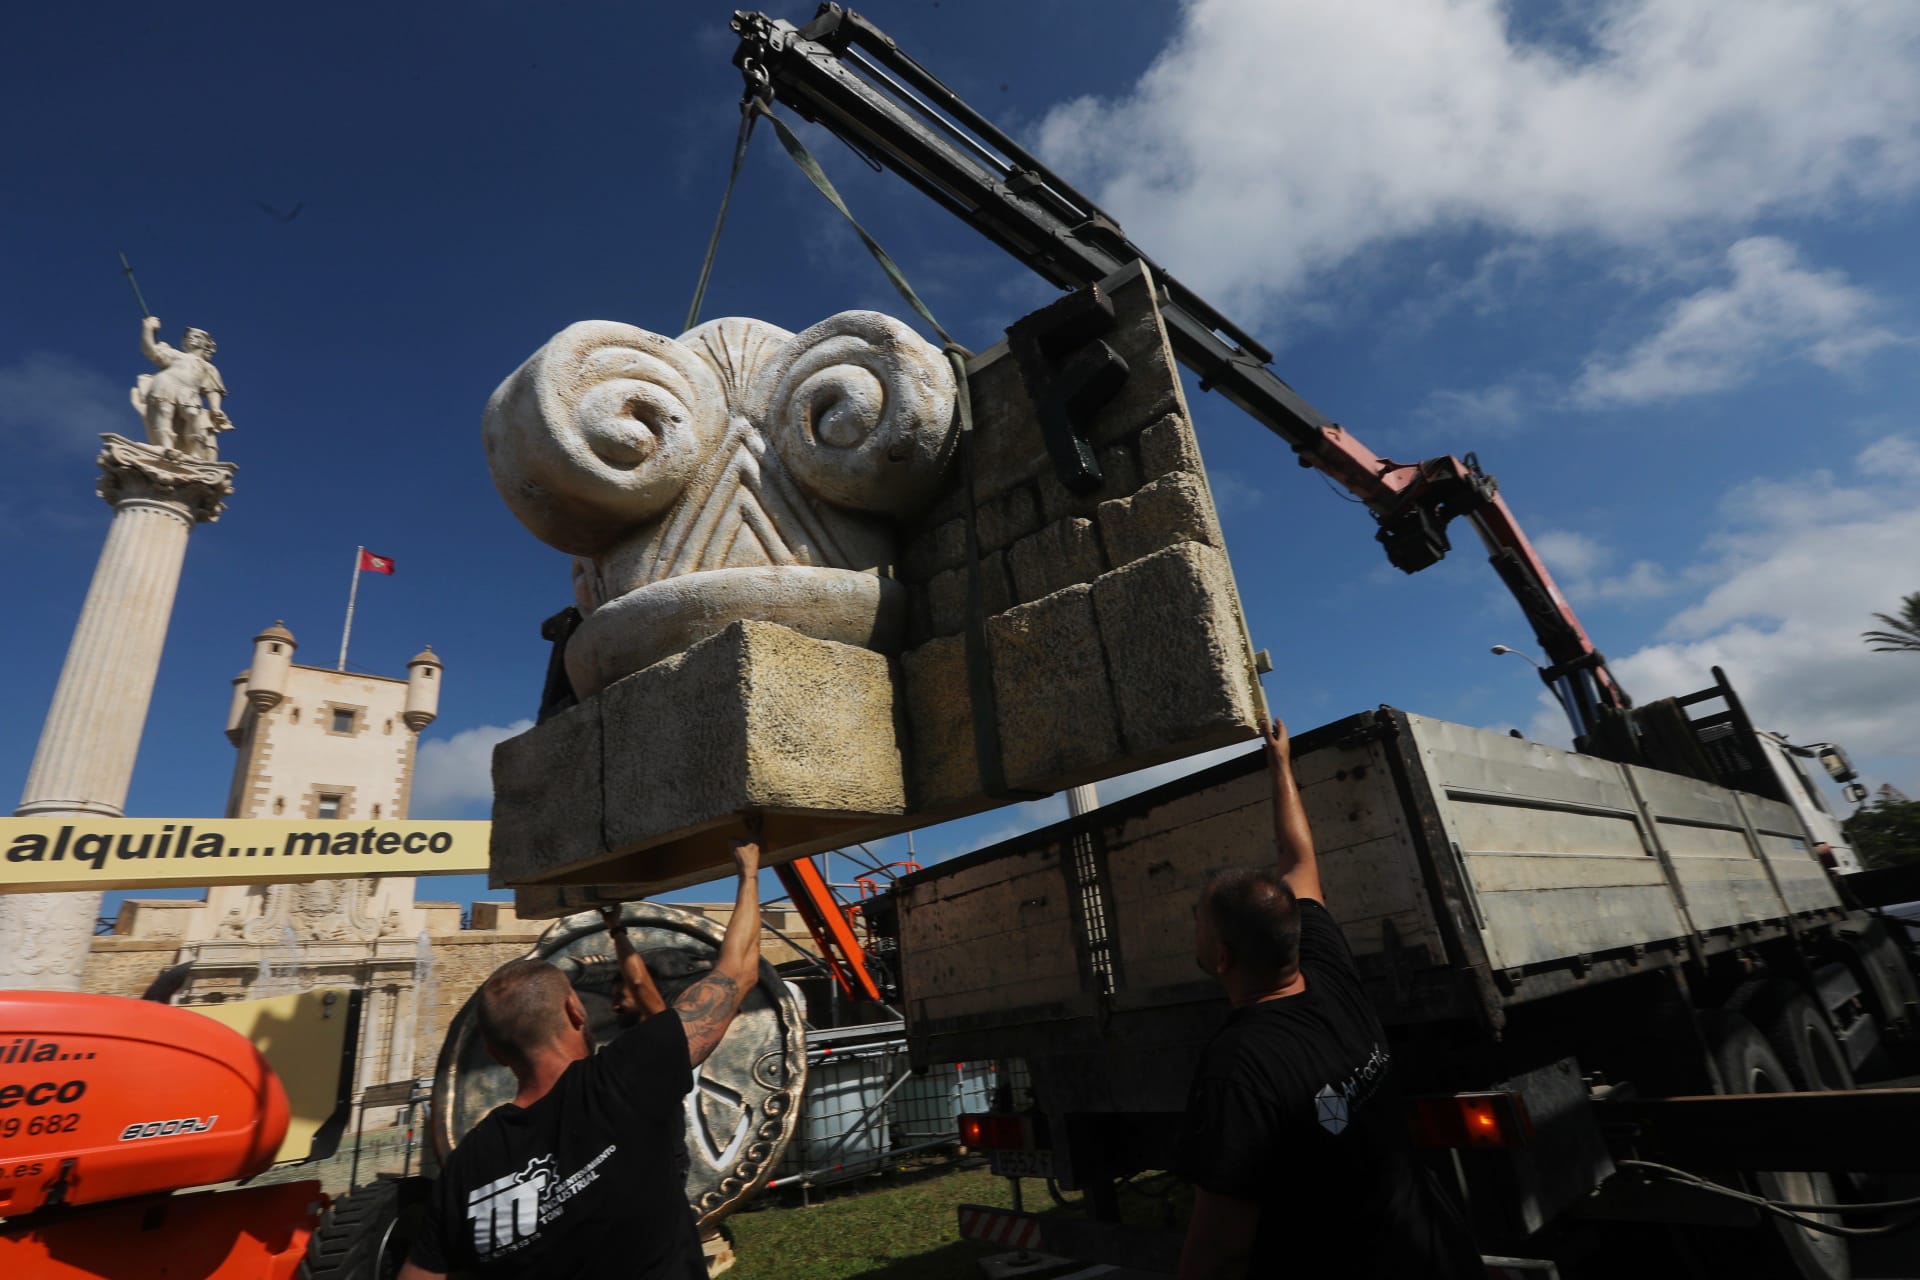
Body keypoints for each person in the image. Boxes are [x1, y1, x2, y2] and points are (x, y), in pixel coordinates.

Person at [1177, 719, 1479, 1280]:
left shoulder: (1239, 1069)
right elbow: (1300, 861)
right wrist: (1280, 765)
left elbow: (1220, 1250)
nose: (1190, 928)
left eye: (1196, 923)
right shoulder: (1330, 971)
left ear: (1221, 958)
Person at [400, 835, 764, 1280]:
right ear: (575, 1011)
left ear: (493, 1052)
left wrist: (617, 931)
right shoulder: (624, 1081)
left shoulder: (465, 1166)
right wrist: (748, 872)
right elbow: (738, 972)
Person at [132, 315, 231, 459]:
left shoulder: (208, 367)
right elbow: (151, 351)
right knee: (164, 411)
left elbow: (213, 389)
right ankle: (166, 446)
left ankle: (195, 452)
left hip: (188, 390)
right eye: (190, 336)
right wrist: (148, 329)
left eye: (197, 337)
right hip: (165, 383)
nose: (192, 338)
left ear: (206, 345)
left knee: (192, 415)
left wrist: (216, 408)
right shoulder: (175, 354)